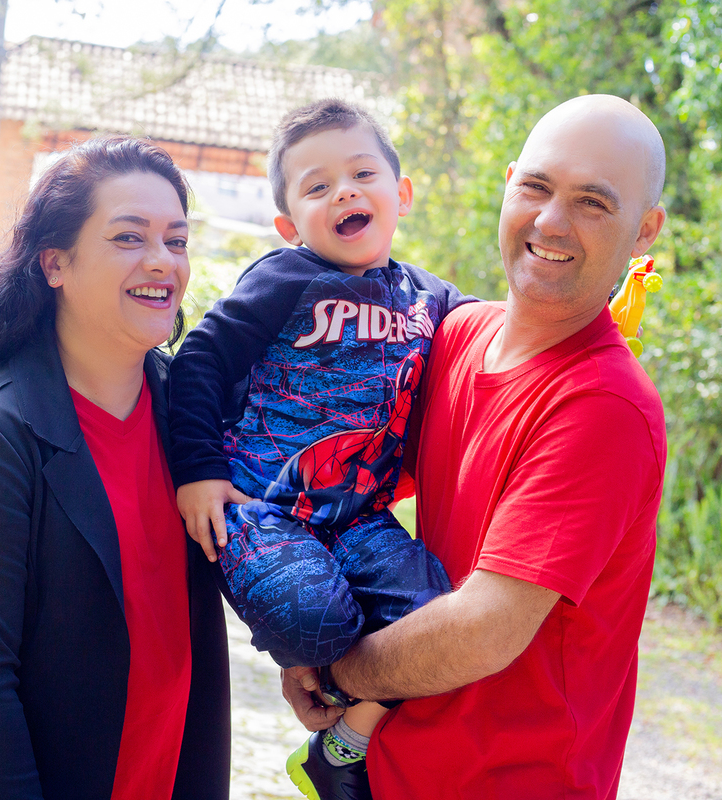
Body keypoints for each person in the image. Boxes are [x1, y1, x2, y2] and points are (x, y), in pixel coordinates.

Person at [281, 93, 669, 799]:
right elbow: (342, 478)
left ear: (645, 231)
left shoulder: (604, 405)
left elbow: (486, 630)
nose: (552, 220)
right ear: (509, 181)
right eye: (538, 187)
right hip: (392, 771)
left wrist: (335, 671)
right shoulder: (456, 337)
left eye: (593, 202)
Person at [0, 137, 231, 800]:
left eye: (176, 240)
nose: (162, 262)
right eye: (129, 238)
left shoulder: (190, 415)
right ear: (55, 264)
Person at [169, 98, 472, 800]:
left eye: (363, 174)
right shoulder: (283, 278)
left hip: (360, 516)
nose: (344, 192)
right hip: (260, 507)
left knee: (439, 620)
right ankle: (316, 665)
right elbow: (200, 362)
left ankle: (342, 745)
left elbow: (503, 340)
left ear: (402, 194)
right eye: (317, 187)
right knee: (313, 620)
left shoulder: (436, 300)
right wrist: (198, 474)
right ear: (290, 224)